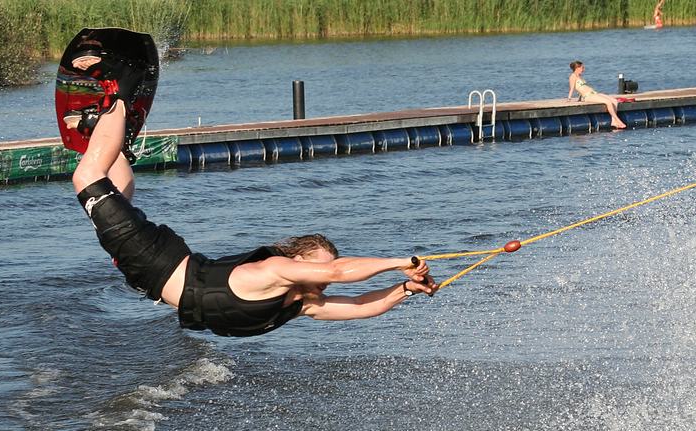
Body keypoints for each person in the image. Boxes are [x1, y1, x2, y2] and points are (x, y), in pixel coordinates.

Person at [66, 52, 439, 337]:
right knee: (87, 177)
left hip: (151, 275)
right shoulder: (273, 270)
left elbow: (360, 305)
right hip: (157, 261)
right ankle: (117, 88)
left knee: (114, 197)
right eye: (316, 266)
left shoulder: (301, 303)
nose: (322, 276)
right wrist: (399, 261)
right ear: (295, 258)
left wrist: (406, 288)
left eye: (321, 271)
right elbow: (340, 272)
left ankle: (111, 140)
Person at [568, 61, 627, 129]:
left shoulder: (579, 76)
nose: (583, 69)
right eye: (582, 68)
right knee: (608, 102)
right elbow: (572, 88)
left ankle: (613, 121)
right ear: (577, 68)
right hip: (587, 96)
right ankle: (618, 120)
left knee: (614, 101)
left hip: (593, 93)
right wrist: (569, 98)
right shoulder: (572, 77)